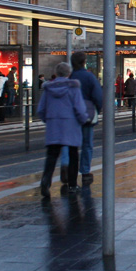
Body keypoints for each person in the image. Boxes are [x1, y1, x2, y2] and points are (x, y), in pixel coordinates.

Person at [36, 62, 88, 197]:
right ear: (69, 73)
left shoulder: (48, 88)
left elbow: (41, 109)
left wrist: (49, 119)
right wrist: (83, 120)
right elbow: (79, 108)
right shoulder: (73, 87)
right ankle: (72, 184)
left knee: (52, 155)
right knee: (73, 155)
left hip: (54, 125)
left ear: (56, 73)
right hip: (71, 125)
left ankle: (45, 182)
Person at [70, 51, 103, 186]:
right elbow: (98, 97)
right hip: (87, 116)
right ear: (84, 62)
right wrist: (96, 110)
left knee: (71, 146)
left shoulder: (70, 77)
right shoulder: (89, 77)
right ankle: (85, 171)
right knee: (87, 145)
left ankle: (69, 172)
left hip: (71, 116)